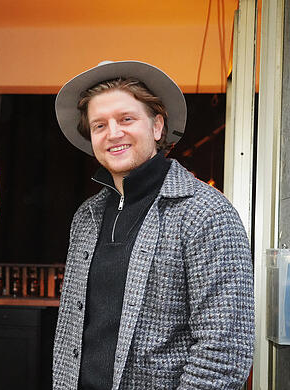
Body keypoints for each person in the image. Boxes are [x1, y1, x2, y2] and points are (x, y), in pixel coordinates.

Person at [51, 61, 254, 389]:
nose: (113, 133)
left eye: (126, 119)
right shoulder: (86, 217)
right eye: (99, 125)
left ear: (157, 127)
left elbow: (224, 351)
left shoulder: (205, 213)